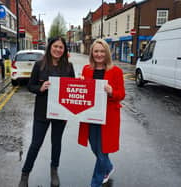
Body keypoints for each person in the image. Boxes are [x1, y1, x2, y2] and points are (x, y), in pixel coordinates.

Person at [19, 37, 75, 187]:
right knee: (35, 144)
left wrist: (81, 83)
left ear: (64, 50)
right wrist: (40, 88)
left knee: (56, 143)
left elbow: (73, 90)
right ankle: (25, 174)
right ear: (50, 47)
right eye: (55, 46)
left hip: (61, 112)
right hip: (42, 112)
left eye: (61, 47)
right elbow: (30, 86)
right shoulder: (39, 65)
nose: (58, 49)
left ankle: (54, 171)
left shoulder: (69, 67)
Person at [78, 39, 125, 187]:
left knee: (102, 148)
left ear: (107, 53)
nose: (99, 54)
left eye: (102, 51)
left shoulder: (115, 71)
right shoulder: (87, 69)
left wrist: (112, 92)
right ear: (92, 52)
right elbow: (84, 91)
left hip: (108, 115)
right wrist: (80, 82)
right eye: (96, 51)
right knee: (94, 146)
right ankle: (108, 166)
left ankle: (96, 182)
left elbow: (121, 94)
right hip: (90, 114)